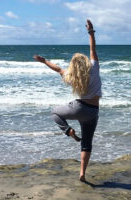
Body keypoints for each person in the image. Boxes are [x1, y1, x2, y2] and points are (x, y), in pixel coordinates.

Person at [33, 19, 101, 182]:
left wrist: (44, 62)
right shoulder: (94, 68)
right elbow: (93, 49)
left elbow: (58, 69)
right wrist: (91, 32)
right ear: (85, 62)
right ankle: (82, 173)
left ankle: (68, 131)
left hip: (77, 108)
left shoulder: (72, 77)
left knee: (55, 112)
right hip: (92, 112)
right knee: (87, 143)